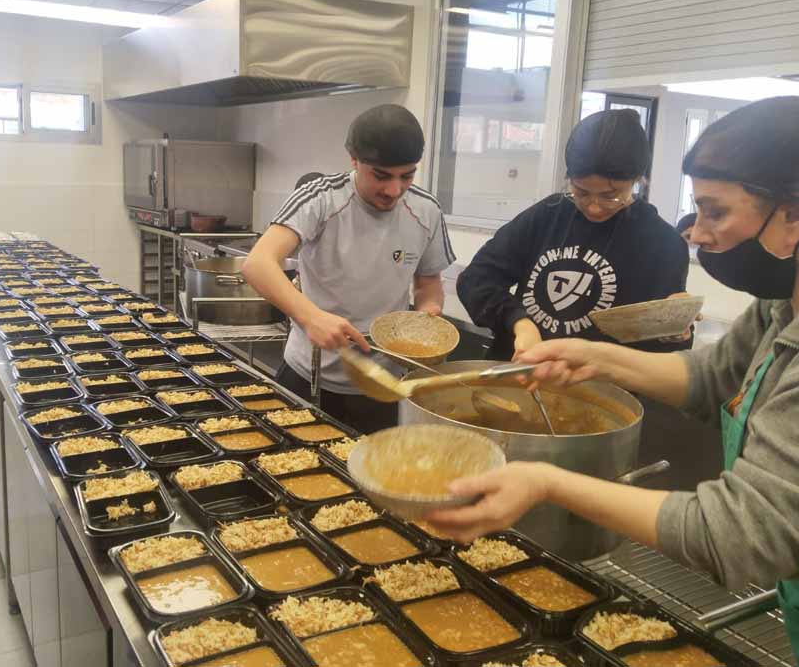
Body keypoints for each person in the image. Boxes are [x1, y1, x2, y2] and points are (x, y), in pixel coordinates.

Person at [429, 96, 799, 662]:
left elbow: (736, 533)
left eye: (716, 212)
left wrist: (548, 482)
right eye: (697, 211)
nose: (697, 235)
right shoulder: (779, 306)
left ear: (792, 213)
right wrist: (594, 357)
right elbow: (712, 377)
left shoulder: (658, 244)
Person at [242, 104, 455, 434]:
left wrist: (428, 314)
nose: (394, 190)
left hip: (384, 384)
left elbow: (428, 283)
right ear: (354, 159)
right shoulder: (320, 198)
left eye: (407, 176)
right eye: (381, 176)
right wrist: (311, 317)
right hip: (309, 375)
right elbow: (257, 264)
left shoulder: (426, 210)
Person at [457, 109, 691, 360]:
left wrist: (674, 330)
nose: (594, 207)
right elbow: (476, 280)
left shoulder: (662, 243)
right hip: (518, 373)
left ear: (637, 180)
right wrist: (519, 322)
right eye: (581, 192)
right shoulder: (547, 216)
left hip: (599, 382)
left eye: (610, 196)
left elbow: (663, 354)